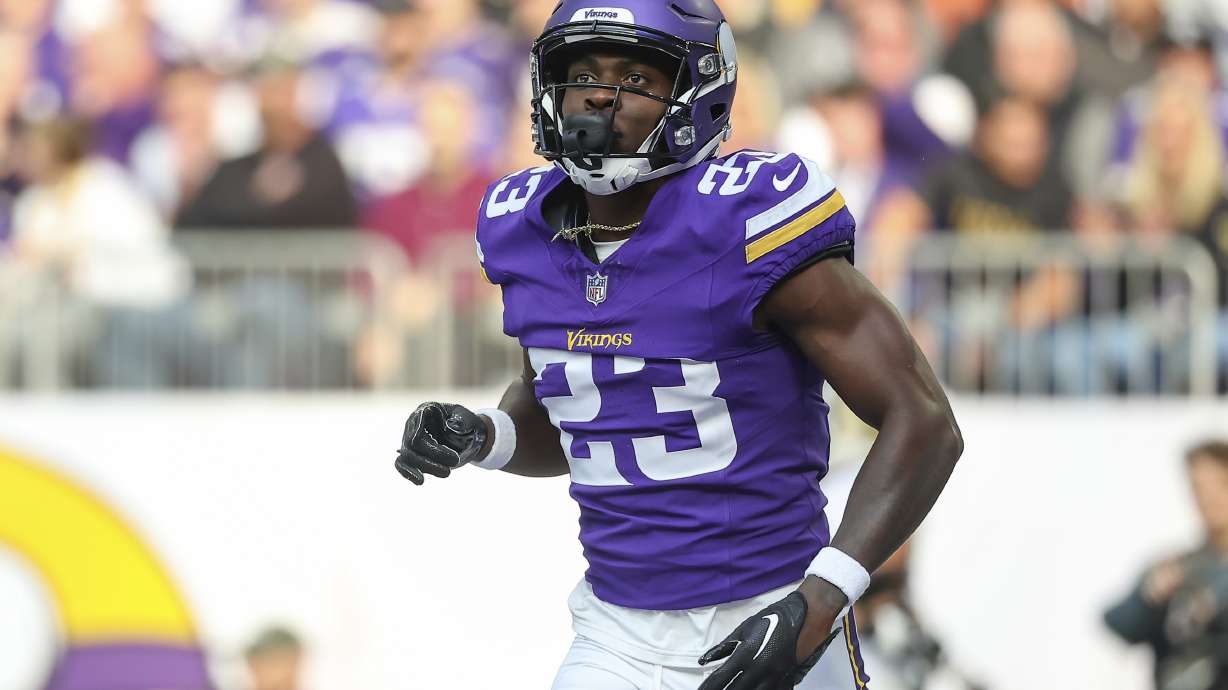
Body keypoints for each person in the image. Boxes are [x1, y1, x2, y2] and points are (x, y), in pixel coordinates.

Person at [393, 2, 964, 689]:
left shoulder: (746, 220)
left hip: (773, 611)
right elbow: (572, 415)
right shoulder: (524, 230)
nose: (600, 93)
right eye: (582, 72)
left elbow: (923, 419)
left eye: (635, 75)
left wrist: (822, 597)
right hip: (616, 633)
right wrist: (484, 434)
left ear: (697, 90)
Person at [1105, 440, 1228, 690]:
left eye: (1219, 485)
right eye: (1199, 488)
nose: (1208, 499)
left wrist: (1215, 597)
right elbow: (1119, 623)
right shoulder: (1179, 567)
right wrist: (1150, 596)